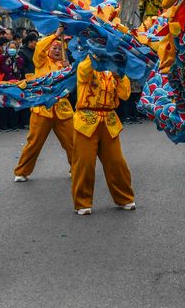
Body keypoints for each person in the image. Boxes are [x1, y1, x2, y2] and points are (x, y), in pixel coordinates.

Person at [70, 54, 135, 215]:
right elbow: (83, 73)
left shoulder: (115, 70)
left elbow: (125, 94)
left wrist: (119, 73)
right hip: (87, 119)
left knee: (117, 162)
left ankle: (124, 198)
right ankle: (82, 202)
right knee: (84, 163)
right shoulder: (86, 63)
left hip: (109, 120)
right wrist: (94, 54)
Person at [13, 25, 75, 182]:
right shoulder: (40, 61)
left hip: (62, 109)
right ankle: (22, 171)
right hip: (42, 109)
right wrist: (56, 35)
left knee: (73, 141)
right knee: (34, 142)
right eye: (54, 47)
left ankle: (76, 168)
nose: (56, 51)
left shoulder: (66, 66)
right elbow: (40, 46)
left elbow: (72, 86)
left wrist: (68, 71)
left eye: (60, 49)